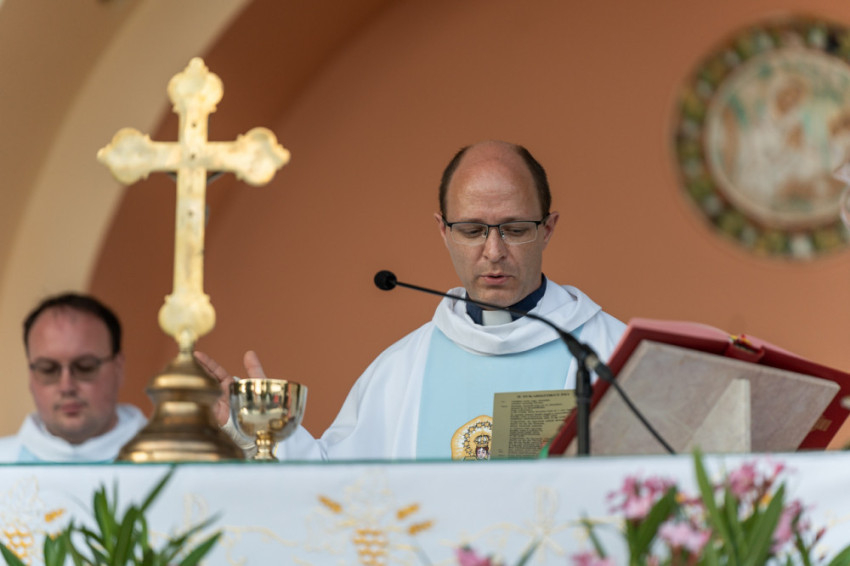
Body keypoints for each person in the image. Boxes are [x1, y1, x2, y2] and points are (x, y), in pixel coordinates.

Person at [196, 140, 626, 460]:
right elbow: (338, 486)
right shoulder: (403, 370)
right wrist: (255, 430)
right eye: (472, 230)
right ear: (443, 231)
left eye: (514, 229)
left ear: (547, 229)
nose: (494, 251)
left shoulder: (612, 354)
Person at [0, 293, 147, 462]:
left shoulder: (167, 461)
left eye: (85, 367)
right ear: (31, 375)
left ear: (118, 368)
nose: (66, 387)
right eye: (48, 370)